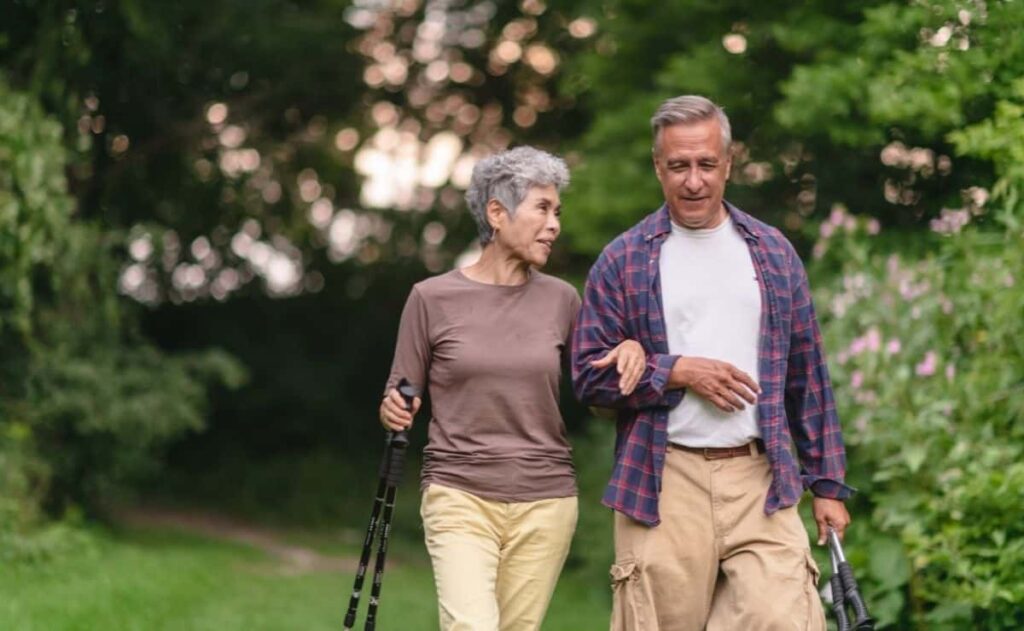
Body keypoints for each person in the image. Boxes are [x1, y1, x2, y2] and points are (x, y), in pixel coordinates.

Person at [571, 95, 854, 631]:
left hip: (760, 476)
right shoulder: (623, 258)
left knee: (786, 617)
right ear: (659, 167)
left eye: (705, 164)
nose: (693, 181)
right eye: (679, 166)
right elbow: (588, 376)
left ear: (728, 162)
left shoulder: (772, 252)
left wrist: (828, 485)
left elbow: (807, 375)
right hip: (662, 477)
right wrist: (673, 371)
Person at [379, 146, 644, 631]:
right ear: (497, 214)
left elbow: (602, 398)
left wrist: (629, 351)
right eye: (542, 209)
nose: (554, 224)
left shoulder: (563, 299)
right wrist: (394, 409)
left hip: (546, 501)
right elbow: (399, 393)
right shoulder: (431, 298)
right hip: (459, 493)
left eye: (557, 211)